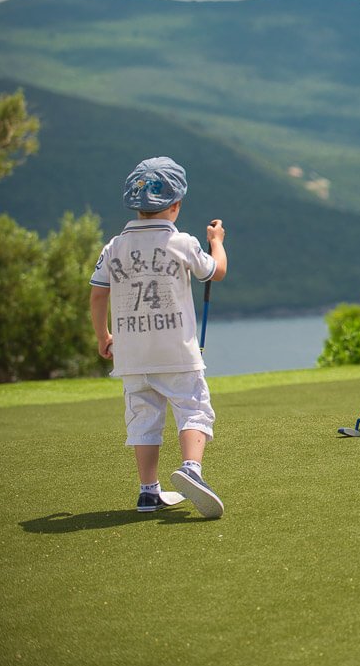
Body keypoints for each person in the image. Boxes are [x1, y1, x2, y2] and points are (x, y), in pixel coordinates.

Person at [88, 156, 229, 518]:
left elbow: (98, 293)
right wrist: (216, 241)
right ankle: (191, 470)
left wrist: (103, 334)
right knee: (194, 407)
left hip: (131, 355)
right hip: (177, 352)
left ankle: (148, 492)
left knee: (143, 419)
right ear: (176, 205)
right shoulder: (183, 242)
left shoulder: (114, 246)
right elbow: (217, 272)